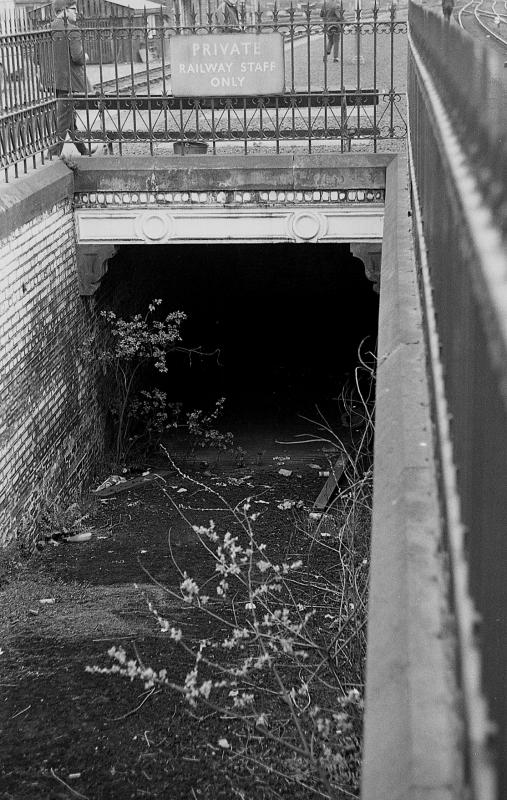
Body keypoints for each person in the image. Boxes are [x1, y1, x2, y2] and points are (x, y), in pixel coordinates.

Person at [48, 0, 96, 157]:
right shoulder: (72, 30)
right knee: (64, 120)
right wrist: (86, 56)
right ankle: (53, 155)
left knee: (69, 117)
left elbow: (37, 57)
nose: (77, 12)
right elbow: (77, 57)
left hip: (54, 80)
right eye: (74, 9)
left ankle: (83, 150)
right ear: (64, 10)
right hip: (70, 82)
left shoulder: (47, 29)